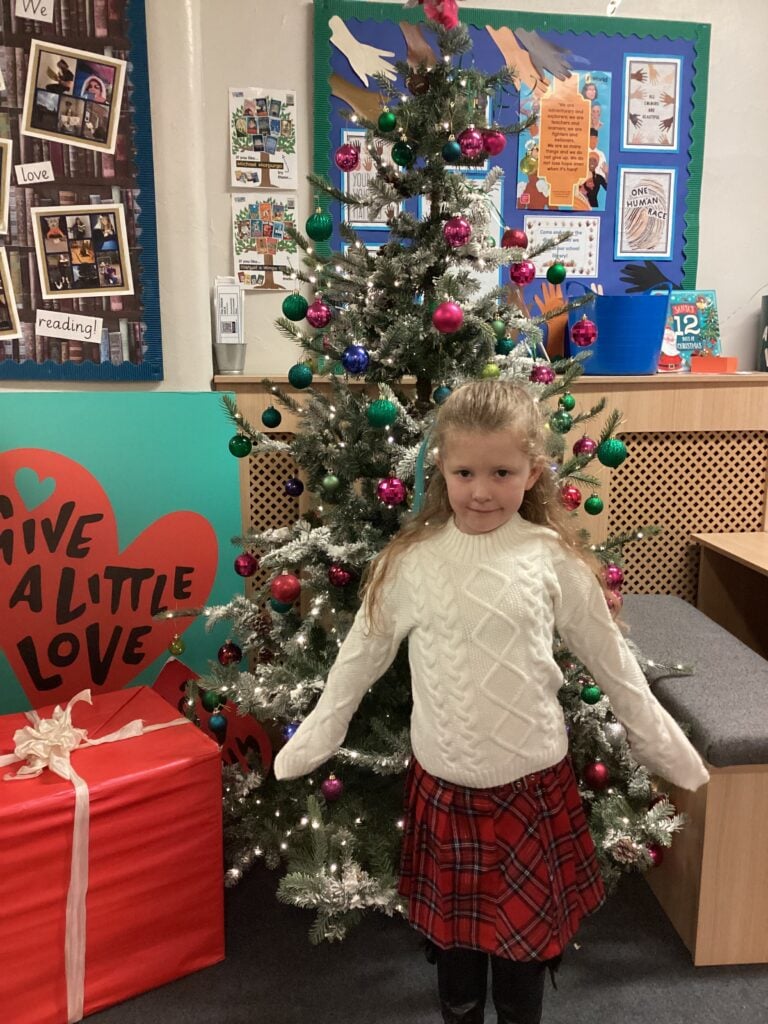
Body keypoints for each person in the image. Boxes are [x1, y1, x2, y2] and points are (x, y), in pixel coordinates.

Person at [274, 379, 709, 1024]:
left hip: (531, 784)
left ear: (532, 471)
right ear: (440, 469)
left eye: (502, 472)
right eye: (464, 472)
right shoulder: (412, 562)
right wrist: (322, 728)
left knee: (522, 956)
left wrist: (658, 737)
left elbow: (611, 662)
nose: (481, 490)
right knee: (454, 948)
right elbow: (359, 658)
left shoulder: (552, 558)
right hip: (446, 784)